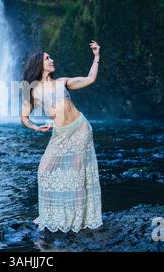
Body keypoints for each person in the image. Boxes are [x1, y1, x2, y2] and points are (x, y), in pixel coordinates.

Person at [21, 41, 103, 233]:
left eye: (50, 57)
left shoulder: (62, 82)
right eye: (47, 58)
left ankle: (78, 217)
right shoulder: (32, 90)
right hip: (60, 134)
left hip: (80, 128)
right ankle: (50, 213)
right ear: (38, 64)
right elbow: (24, 117)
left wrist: (96, 56)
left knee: (77, 174)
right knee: (44, 169)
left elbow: (90, 79)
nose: (52, 59)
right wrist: (35, 127)